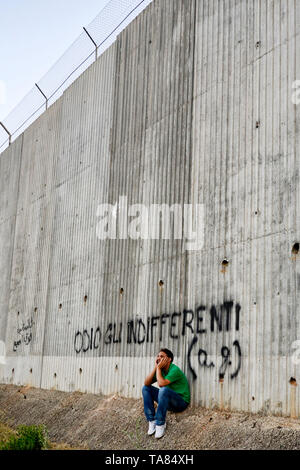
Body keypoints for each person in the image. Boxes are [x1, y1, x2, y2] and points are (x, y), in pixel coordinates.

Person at [142, 348, 190, 439]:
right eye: (158, 356)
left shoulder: (174, 370)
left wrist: (158, 369)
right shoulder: (161, 370)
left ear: (169, 359)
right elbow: (146, 383)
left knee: (163, 390)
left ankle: (160, 423)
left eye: (162, 356)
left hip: (181, 403)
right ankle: (152, 420)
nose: (159, 358)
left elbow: (161, 384)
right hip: (168, 402)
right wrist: (155, 368)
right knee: (145, 388)